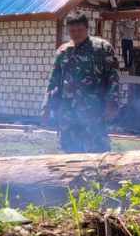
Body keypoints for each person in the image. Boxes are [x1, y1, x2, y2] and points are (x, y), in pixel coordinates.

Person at [43, 12, 120, 153]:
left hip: (93, 110)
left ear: (87, 28)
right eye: (72, 31)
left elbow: (113, 77)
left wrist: (112, 102)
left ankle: (100, 175)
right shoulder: (63, 51)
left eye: (80, 30)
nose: (76, 34)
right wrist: (46, 106)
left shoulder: (102, 48)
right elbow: (53, 79)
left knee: (97, 151)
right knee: (69, 151)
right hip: (68, 111)